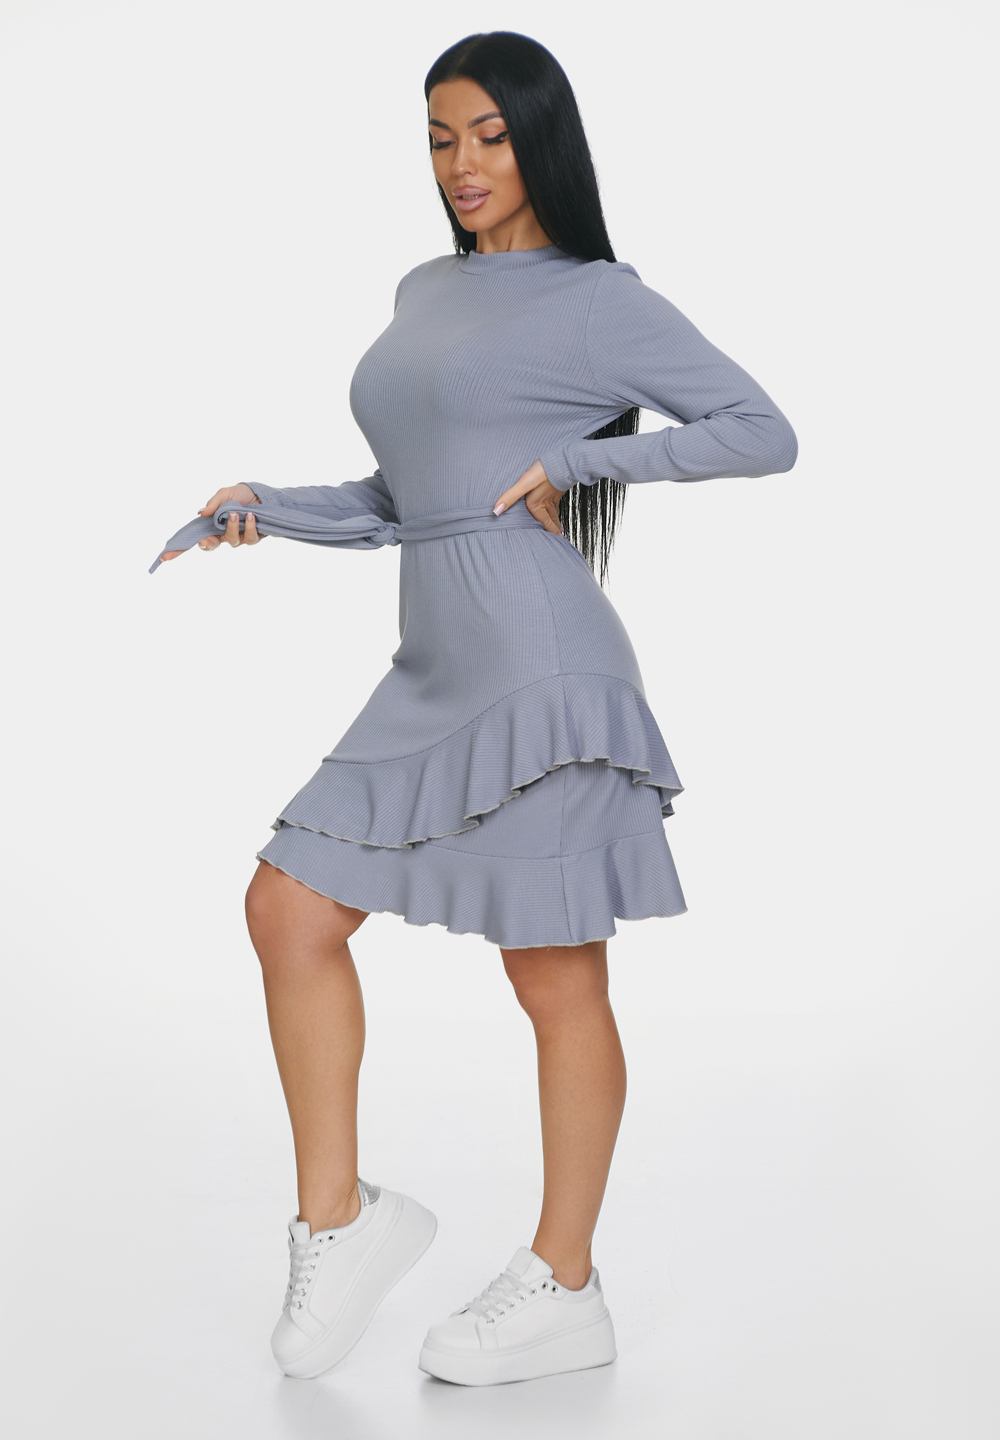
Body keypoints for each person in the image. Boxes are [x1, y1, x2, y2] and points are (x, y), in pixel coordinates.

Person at [156, 30, 797, 1387]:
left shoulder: (601, 299)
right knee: (287, 908)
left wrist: (580, 460)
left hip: (542, 661)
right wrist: (270, 507)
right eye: (442, 138)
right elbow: (411, 497)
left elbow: (762, 429)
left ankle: (565, 1280)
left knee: (553, 975)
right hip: (434, 660)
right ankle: (340, 1219)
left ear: (540, 139)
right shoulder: (423, 289)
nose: (463, 163)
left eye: (491, 136)